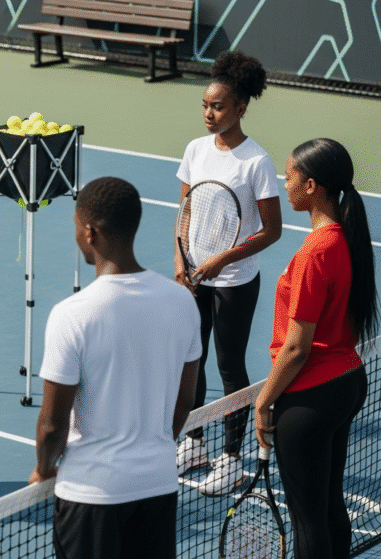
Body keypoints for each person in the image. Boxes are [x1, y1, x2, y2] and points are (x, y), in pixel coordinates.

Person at [30, 177, 200, 559]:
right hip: (158, 485)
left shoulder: (71, 315)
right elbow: (184, 401)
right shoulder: (183, 303)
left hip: (91, 495)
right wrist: (153, 449)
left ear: (90, 232)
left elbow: (52, 425)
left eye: (77, 226)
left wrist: (43, 469)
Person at [255, 139, 377, 559]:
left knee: (307, 520)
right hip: (347, 383)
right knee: (328, 506)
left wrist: (263, 401)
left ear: (311, 186)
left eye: (289, 177)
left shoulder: (315, 251)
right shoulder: (347, 239)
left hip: (311, 396)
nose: (284, 184)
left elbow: (296, 348)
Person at [174, 50, 283, 495]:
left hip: (234, 281)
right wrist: (181, 260)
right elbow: (185, 208)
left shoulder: (256, 162)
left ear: (240, 108)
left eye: (217, 107)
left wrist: (223, 260)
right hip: (194, 276)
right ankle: (195, 442)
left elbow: (272, 230)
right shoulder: (195, 150)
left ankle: (232, 459)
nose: (208, 113)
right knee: (191, 360)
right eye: (204, 105)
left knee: (229, 367)